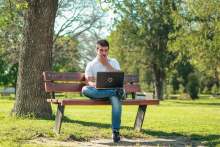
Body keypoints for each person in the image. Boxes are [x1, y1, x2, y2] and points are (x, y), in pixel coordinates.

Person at [81, 39, 124, 143]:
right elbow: (89, 81)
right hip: (98, 92)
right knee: (85, 89)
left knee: (115, 99)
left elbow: (119, 77)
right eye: (101, 50)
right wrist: (94, 85)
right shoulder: (91, 64)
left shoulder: (113, 62)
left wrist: (107, 65)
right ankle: (115, 93)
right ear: (97, 50)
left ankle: (115, 132)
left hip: (112, 90)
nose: (104, 53)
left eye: (106, 50)